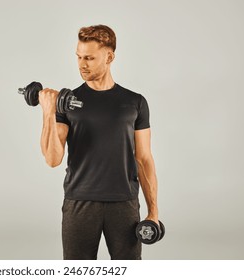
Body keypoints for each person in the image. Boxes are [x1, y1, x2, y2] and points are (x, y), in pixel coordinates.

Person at [38, 24, 159, 260]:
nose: (82, 64)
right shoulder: (67, 103)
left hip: (124, 204)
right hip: (79, 203)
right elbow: (53, 159)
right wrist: (48, 113)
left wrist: (153, 211)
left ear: (109, 56)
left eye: (90, 58)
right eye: (79, 57)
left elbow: (144, 159)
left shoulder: (135, 102)